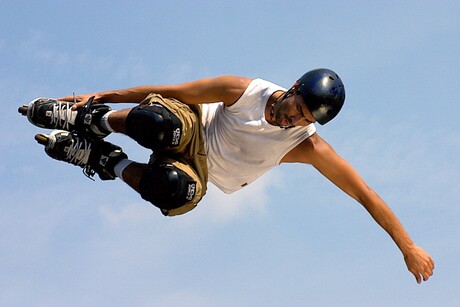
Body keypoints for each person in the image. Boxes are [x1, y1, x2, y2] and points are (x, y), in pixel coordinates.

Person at [21, 68, 434, 283]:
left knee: (174, 192)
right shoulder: (243, 90)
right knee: (158, 121)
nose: (290, 119)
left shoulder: (305, 145)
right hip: (188, 124)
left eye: (303, 119)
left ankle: (103, 159)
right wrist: (100, 95)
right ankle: (91, 119)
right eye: (295, 108)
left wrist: (408, 246)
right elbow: (173, 88)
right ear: (291, 88)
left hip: (194, 169)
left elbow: (365, 194)